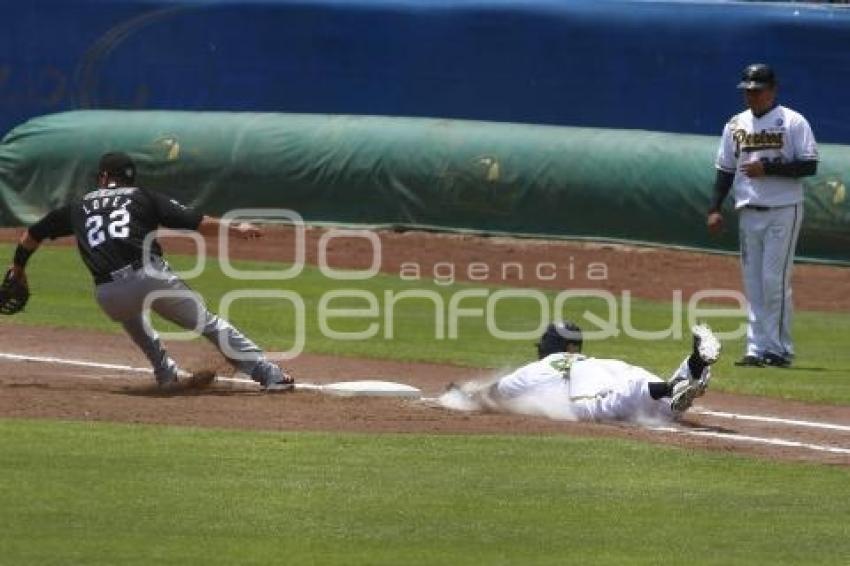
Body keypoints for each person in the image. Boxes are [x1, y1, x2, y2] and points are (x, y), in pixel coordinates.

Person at [5, 151, 293, 391]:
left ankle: (165, 376)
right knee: (207, 323)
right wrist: (236, 228)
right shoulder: (143, 196)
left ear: (104, 177)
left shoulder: (78, 207)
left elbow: (32, 234)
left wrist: (18, 267)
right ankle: (268, 374)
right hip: (149, 276)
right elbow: (196, 222)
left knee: (132, 319)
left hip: (108, 294)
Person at [707, 63, 818, 368]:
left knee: (774, 280)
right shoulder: (735, 125)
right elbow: (725, 169)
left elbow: (809, 165)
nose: (751, 96)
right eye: (748, 91)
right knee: (753, 282)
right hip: (748, 210)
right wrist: (715, 208)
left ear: (772, 90)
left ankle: (779, 349)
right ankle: (756, 348)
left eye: (757, 90)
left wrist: (767, 169)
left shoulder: (792, 121)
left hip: (783, 208)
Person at [442, 321, 721, 423]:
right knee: (663, 407)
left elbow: (495, 393)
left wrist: (463, 395)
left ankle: (676, 387)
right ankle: (695, 365)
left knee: (599, 405)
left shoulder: (541, 367)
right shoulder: (585, 359)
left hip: (598, 389)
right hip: (617, 369)